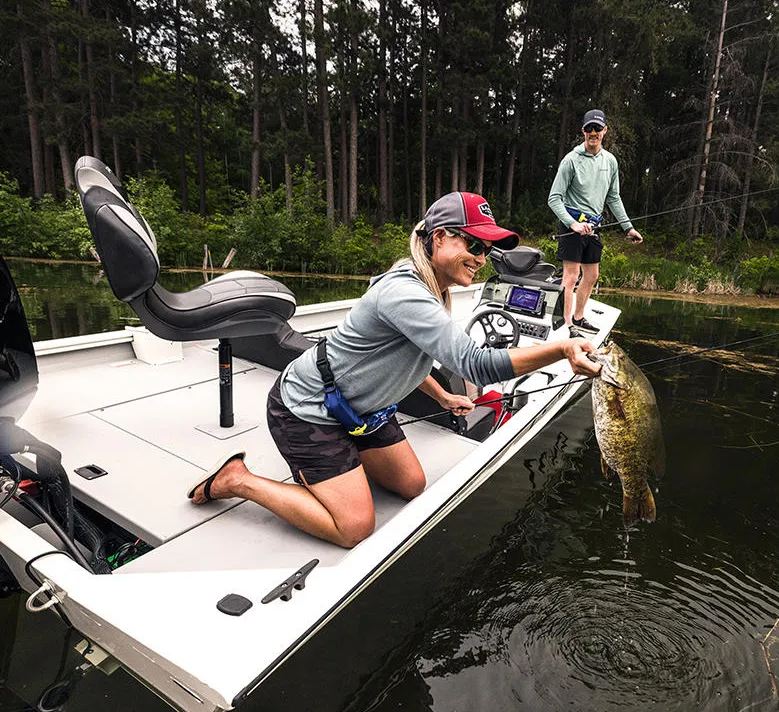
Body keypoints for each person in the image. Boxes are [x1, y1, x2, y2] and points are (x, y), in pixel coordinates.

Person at [186, 191, 602, 548]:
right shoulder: (407, 292)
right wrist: (562, 347)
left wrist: (441, 395)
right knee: (354, 527)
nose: (481, 258)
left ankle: (335, 467)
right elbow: (478, 364)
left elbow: (404, 355)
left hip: (359, 411)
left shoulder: (431, 288)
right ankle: (238, 479)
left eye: (487, 250)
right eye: (474, 245)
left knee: (411, 485)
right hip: (307, 409)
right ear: (440, 237)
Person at [548, 109, 643, 334]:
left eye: (597, 128)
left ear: (605, 131)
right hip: (572, 225)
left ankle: (579, 318)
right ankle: (566, 325)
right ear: (583, 130)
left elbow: (614, 197)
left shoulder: (610, 161)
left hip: (594, 226)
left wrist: (628, 227)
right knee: (571, 276)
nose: (593, 132)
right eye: (589, 128)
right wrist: (572, 224)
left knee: (592, 275)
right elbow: (554, 198)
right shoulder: (571, 160)